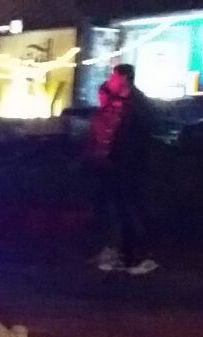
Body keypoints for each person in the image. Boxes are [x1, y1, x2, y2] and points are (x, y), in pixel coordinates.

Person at [86, 64, 158, 275]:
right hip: (113, 164)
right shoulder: (117, 101)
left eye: (114, 76)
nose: (111, 80)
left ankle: (138, 254)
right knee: (115, 208)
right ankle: (120, 252)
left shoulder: (136, 105)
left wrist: (123, 157)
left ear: (124, 78)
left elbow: (137, 136)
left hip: (127, 165)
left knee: (129, 208)